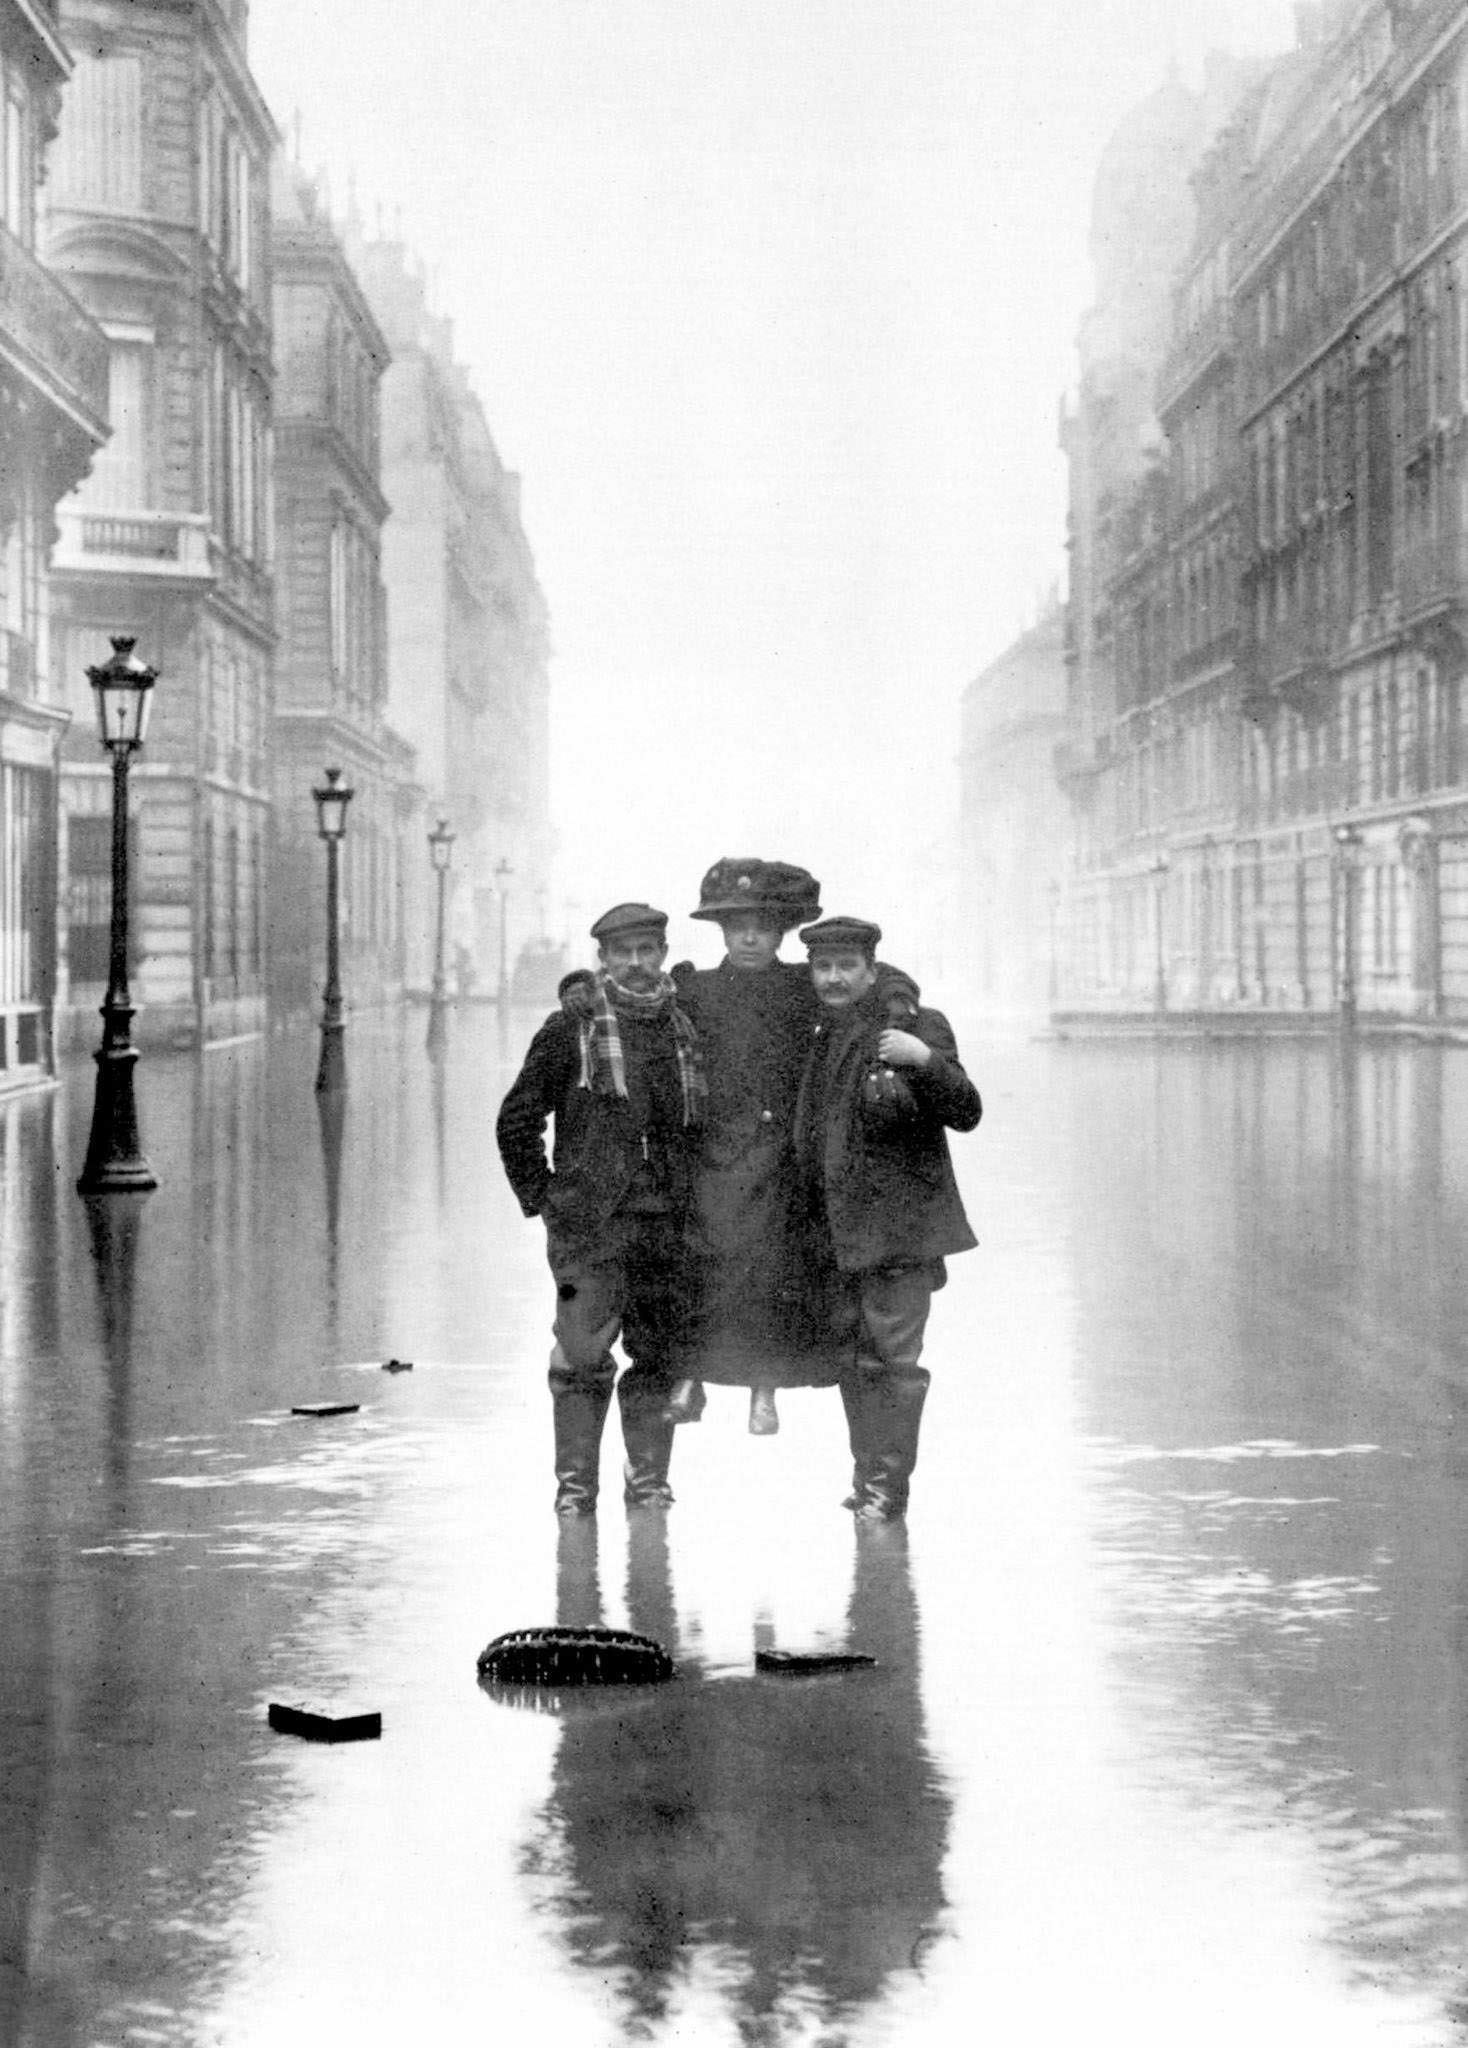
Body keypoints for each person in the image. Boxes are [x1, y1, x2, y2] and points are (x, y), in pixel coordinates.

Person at [496, 902, 706, 1515]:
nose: (637, 964)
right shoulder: (573, 1027)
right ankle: (575, 1494)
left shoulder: (685, 1026)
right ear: (603, 960)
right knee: (582, 1361)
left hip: (669, 1222)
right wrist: (547, 1198)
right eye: (623, 953)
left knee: (658, 1356)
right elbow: (517, 1119)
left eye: (647, 951)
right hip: (590, 1226)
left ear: (663, 954)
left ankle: (647, 1486)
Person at [792, 915, 981, 1521]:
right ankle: (868, 1476)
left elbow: (968, 1111)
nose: (835, 978)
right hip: (839, 1233)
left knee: (895, 1362)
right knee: (855, 1360)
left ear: (872, 970)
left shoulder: (916, 1026)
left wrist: (924, 1059)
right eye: (824, 967)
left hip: (901, 1234)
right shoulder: (822, 1032)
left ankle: (887, 1493)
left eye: (848, 966)